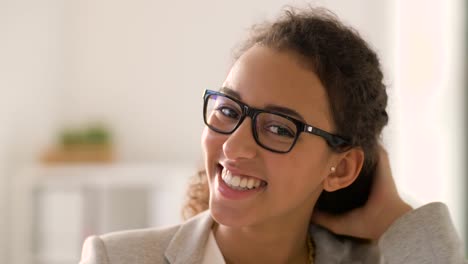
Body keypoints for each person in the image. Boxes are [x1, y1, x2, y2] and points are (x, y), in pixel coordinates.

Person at [79, 7, 466, 264]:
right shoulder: (117, 258)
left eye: (280, 128)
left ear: (341, 168)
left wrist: (394, 217)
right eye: (229, 110)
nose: (233, 145)